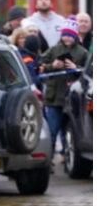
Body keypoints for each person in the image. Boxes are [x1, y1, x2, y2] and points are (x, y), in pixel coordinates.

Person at [40, 21, 90, 160]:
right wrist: (52, 66)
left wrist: (75, 67)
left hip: (72, 98)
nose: (67, 38)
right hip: (54, 97)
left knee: (69, 132)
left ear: (75, 36)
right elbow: (40, 64)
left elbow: (88, 72)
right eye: (65, 35)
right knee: (52, 130)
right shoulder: (54, 50)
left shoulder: (83, 52)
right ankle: (47, 161)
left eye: (70, 36)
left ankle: (67, 157)